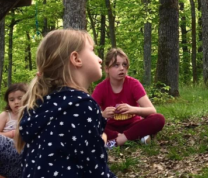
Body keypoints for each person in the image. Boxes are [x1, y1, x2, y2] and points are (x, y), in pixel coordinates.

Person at [15, 29, 116, 178]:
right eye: (92, 51)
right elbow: (96, 169)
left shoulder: (38, 105)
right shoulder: (81, 105)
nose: (100, 59)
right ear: (76, 59)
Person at [92, 48, 165, 149]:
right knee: (88, 125)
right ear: (107, 69)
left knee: (159, 119)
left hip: (133, 125)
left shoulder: (133, 84)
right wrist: (102, 114)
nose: (121, 68)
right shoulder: (101, 88)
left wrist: (132, 109)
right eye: (116, 65)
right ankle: (136, 137)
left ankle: (117, 141)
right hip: (110, 127)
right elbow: (89, 115)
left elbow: (152, 110)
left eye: (124, 65)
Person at [0, 83, 26, 178]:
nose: (16, 102)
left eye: (20, 98)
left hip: (22, 151)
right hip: (6, 148)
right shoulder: (6, 115)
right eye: (12, 100)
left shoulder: (31, 115)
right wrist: (10, 133)